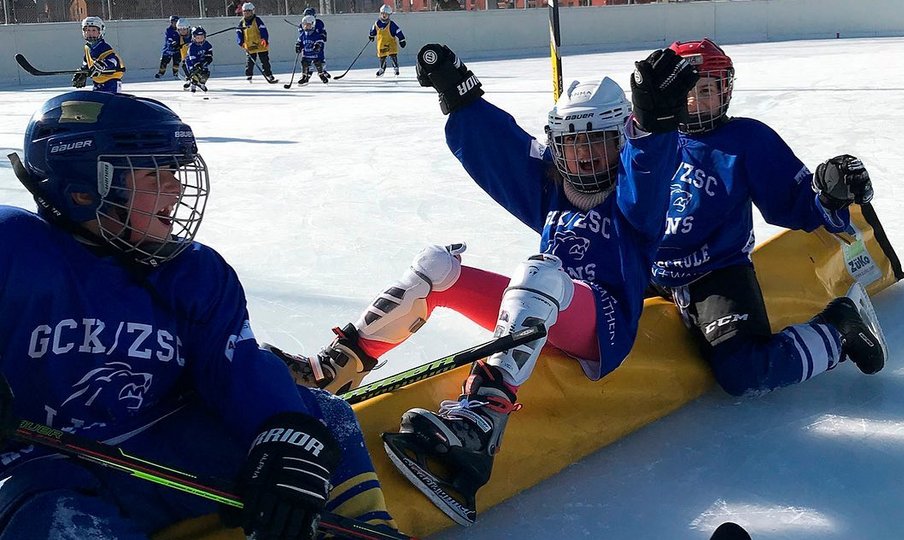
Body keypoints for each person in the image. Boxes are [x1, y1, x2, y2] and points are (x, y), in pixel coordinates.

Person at [274, 43, 690, 525]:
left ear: (623, 139)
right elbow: (504, 151)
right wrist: (460, 95)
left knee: (540, 270)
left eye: (597, 142)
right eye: (572, 144)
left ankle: (480, 423)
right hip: (542, 313)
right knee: (437, 266)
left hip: (605, 326)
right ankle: (338, 369)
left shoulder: (635, 195)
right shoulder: (554, 186)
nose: (584, 157)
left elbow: (648, 190)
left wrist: (656, 128)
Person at [0, 91, 397, 539]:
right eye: (153, 174)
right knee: (52, 522)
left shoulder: (194, 272)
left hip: (159, 447)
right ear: (83, 189)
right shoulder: (14, 246)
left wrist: (281, 433)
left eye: (174, 171)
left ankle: (358, 526)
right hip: (41, 465)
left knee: (318, 415)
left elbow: (237, 369)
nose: (175, 188)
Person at [624, 38, 887, 398]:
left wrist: (830, 196)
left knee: (743, 371)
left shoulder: (747, 139)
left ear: (725, 90)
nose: (695, 101)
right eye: (686, 91)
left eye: (706, 90)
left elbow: (794, 202)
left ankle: (839, 327)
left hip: (717, 273)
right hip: (649, 270)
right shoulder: (643, 140)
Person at [73, 16, 124, 93]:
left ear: (100, 31)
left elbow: (113, 61)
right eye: (87, 30)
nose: (90, 33)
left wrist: (102, 65)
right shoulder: (87, 47)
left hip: (111, 83)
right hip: (97, 83)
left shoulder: (104, 47)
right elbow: (86, 62)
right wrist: (83, 73)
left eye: (94, 30)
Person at [236, 2, 277, 83]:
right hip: (249, 45)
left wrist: (264, 38)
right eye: (245, 12)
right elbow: (239, 33)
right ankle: (249, 75)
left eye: (249, 11)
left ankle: (268, 74)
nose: (247, 13)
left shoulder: (257, 20)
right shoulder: (241, 22)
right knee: (250, 62)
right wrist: (241, 42)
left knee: (265, 61)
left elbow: (263, 29)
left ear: (252, 11)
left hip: (261, 44)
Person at [369, 4, 405, 77]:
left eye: (386, 14)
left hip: (391, 43)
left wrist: (402, 39)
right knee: (382, 57)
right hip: (381, 43)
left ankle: (395, 67)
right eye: (383, 14)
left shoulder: (391, 24)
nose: (384, 16)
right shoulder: (377, 23)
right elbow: (373, 30)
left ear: (389, 15)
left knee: (393, 55)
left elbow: (398, 31)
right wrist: (371, 35)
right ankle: (382, 68)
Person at [296, 14, 329, 85]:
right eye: (304, 25)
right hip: (306, 54)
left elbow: (320, 41)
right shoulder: (303, 34)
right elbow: (299, 41)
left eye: (308, 25)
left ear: (312, 24)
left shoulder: (315, 34)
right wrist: (298, 46)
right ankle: (304, 77)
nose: (306, 26)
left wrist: (317, 46)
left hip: (314, 54)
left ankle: (321, 75)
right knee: (304, 64)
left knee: (318, 64)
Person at [183, 26, 213, 93]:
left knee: (206, 74)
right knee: (196, 73)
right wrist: (197, 64)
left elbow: (209, 50)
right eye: (198, 38)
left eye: (202, 37)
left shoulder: (206, 44)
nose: (200, 39)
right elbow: (193, 58)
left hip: (202, 61)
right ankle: (193, 85)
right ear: (194, 37)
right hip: (191, 63)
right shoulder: (192, 47)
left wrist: (209, 57)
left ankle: (201, 84)